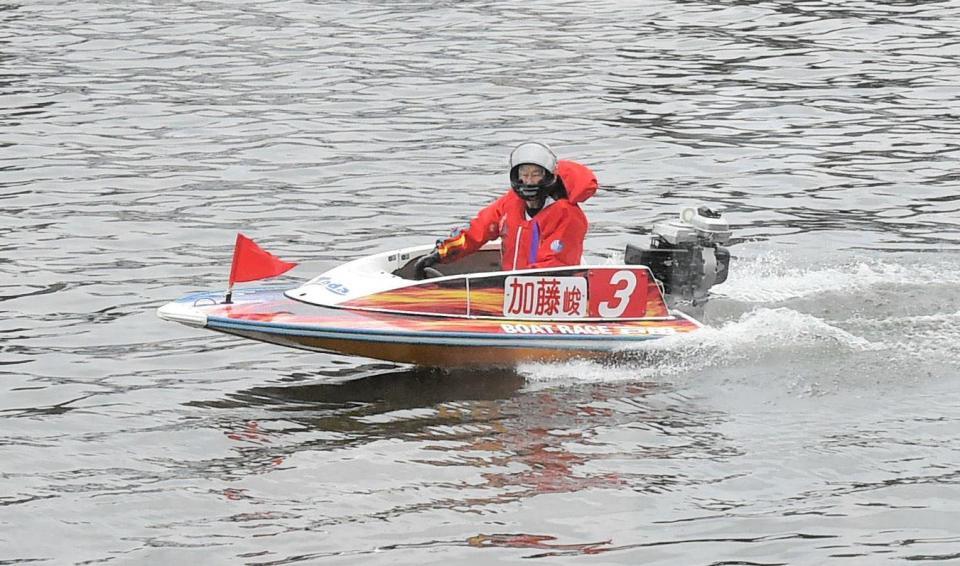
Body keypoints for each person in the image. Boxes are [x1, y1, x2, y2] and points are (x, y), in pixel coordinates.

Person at [417, 142, 598, 275]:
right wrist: (443, 252)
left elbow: (554, 266)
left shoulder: (566, 215)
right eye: (524, 174)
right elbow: (478, 230)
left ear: (548, 177)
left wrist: (504, 283)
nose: (528, 181)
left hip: (552, 294)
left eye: (536, 175)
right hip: (513, 289)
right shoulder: (510, 203)